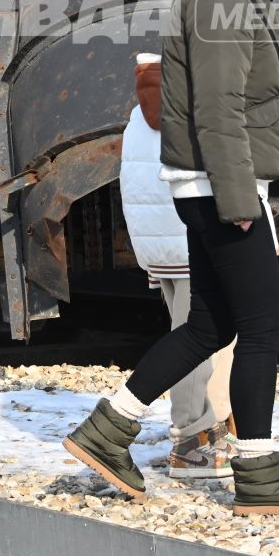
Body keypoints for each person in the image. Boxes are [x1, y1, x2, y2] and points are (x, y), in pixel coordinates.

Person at [64, 0, 279, 516]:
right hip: (220, 187)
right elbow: (213, 111)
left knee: (211, 324)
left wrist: (278, 99)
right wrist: (239, 200)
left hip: (212, 183)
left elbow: (230, 98)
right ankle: (260, 473)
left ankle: (108, 430)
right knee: (264, 327)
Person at [120, 51, 236, 479]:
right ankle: (191, 444)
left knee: (193, 335)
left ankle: (208, 432)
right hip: (193, 241)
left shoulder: (141, 113)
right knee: (197, 342)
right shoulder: (191, 110)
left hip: (164, 245)